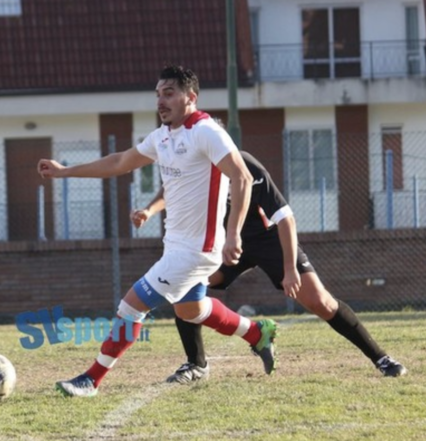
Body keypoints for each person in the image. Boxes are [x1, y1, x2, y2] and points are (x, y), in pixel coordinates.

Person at [37, 65, 278, 397]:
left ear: (190, 97)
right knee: (192, 310)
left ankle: (91, 379)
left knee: (131, 306)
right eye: (158, 94)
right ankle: (256, 333)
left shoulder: (207, 132)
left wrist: (234, 233)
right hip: (176, 246)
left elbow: (242, 177)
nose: (161, 101)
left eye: (169, 93)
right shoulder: (163, 137)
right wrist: (66, 172)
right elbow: (120, 162)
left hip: (197, 250)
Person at [130, 149, 407, 383]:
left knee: (320, 301)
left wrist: (289, 270)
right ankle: (197, 364)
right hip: (228, 244)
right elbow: (171, 189)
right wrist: (149, 210)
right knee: (186, 285)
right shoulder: (195, 164)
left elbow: (286, 219)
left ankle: (381, 358)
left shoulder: (247, 167)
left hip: (269, 240)